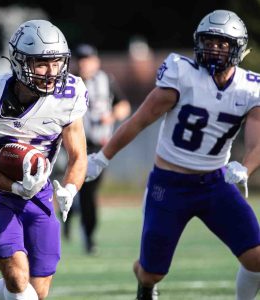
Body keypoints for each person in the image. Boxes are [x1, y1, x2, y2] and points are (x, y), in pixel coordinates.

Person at [86, 10, 260, 300]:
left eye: (222, 43)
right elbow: (139, 121)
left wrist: (245, 168)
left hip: (216, 185)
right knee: (152, 271)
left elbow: (257, 144)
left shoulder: (250, 87)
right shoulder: (183, 75)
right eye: (210, 41)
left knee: (256, 258)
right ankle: (146, 284)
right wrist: (102, 157)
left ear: (237, 48)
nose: (214, 48)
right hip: (169, 185)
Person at [0, 20, 88, 300]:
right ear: (19, 62)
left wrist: (70, 189)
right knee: (18, 280)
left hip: (40, 193)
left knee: (36, 293)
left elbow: (78, 155)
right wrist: (16, 188)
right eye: (42, 63)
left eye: (57, 62)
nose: (51, 71)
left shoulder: (69, 94)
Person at [64, 43, 130, 254]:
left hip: (101, 145)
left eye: (88, 59)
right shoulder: (67, 82)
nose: (84, 64)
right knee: (83, 191)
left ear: (96, 61)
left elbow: (123, 105)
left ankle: (78, 222)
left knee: (89, 192)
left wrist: (111, 116)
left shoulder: (106, 80)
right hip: (75, 143)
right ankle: (87, 235)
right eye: (80, 59)